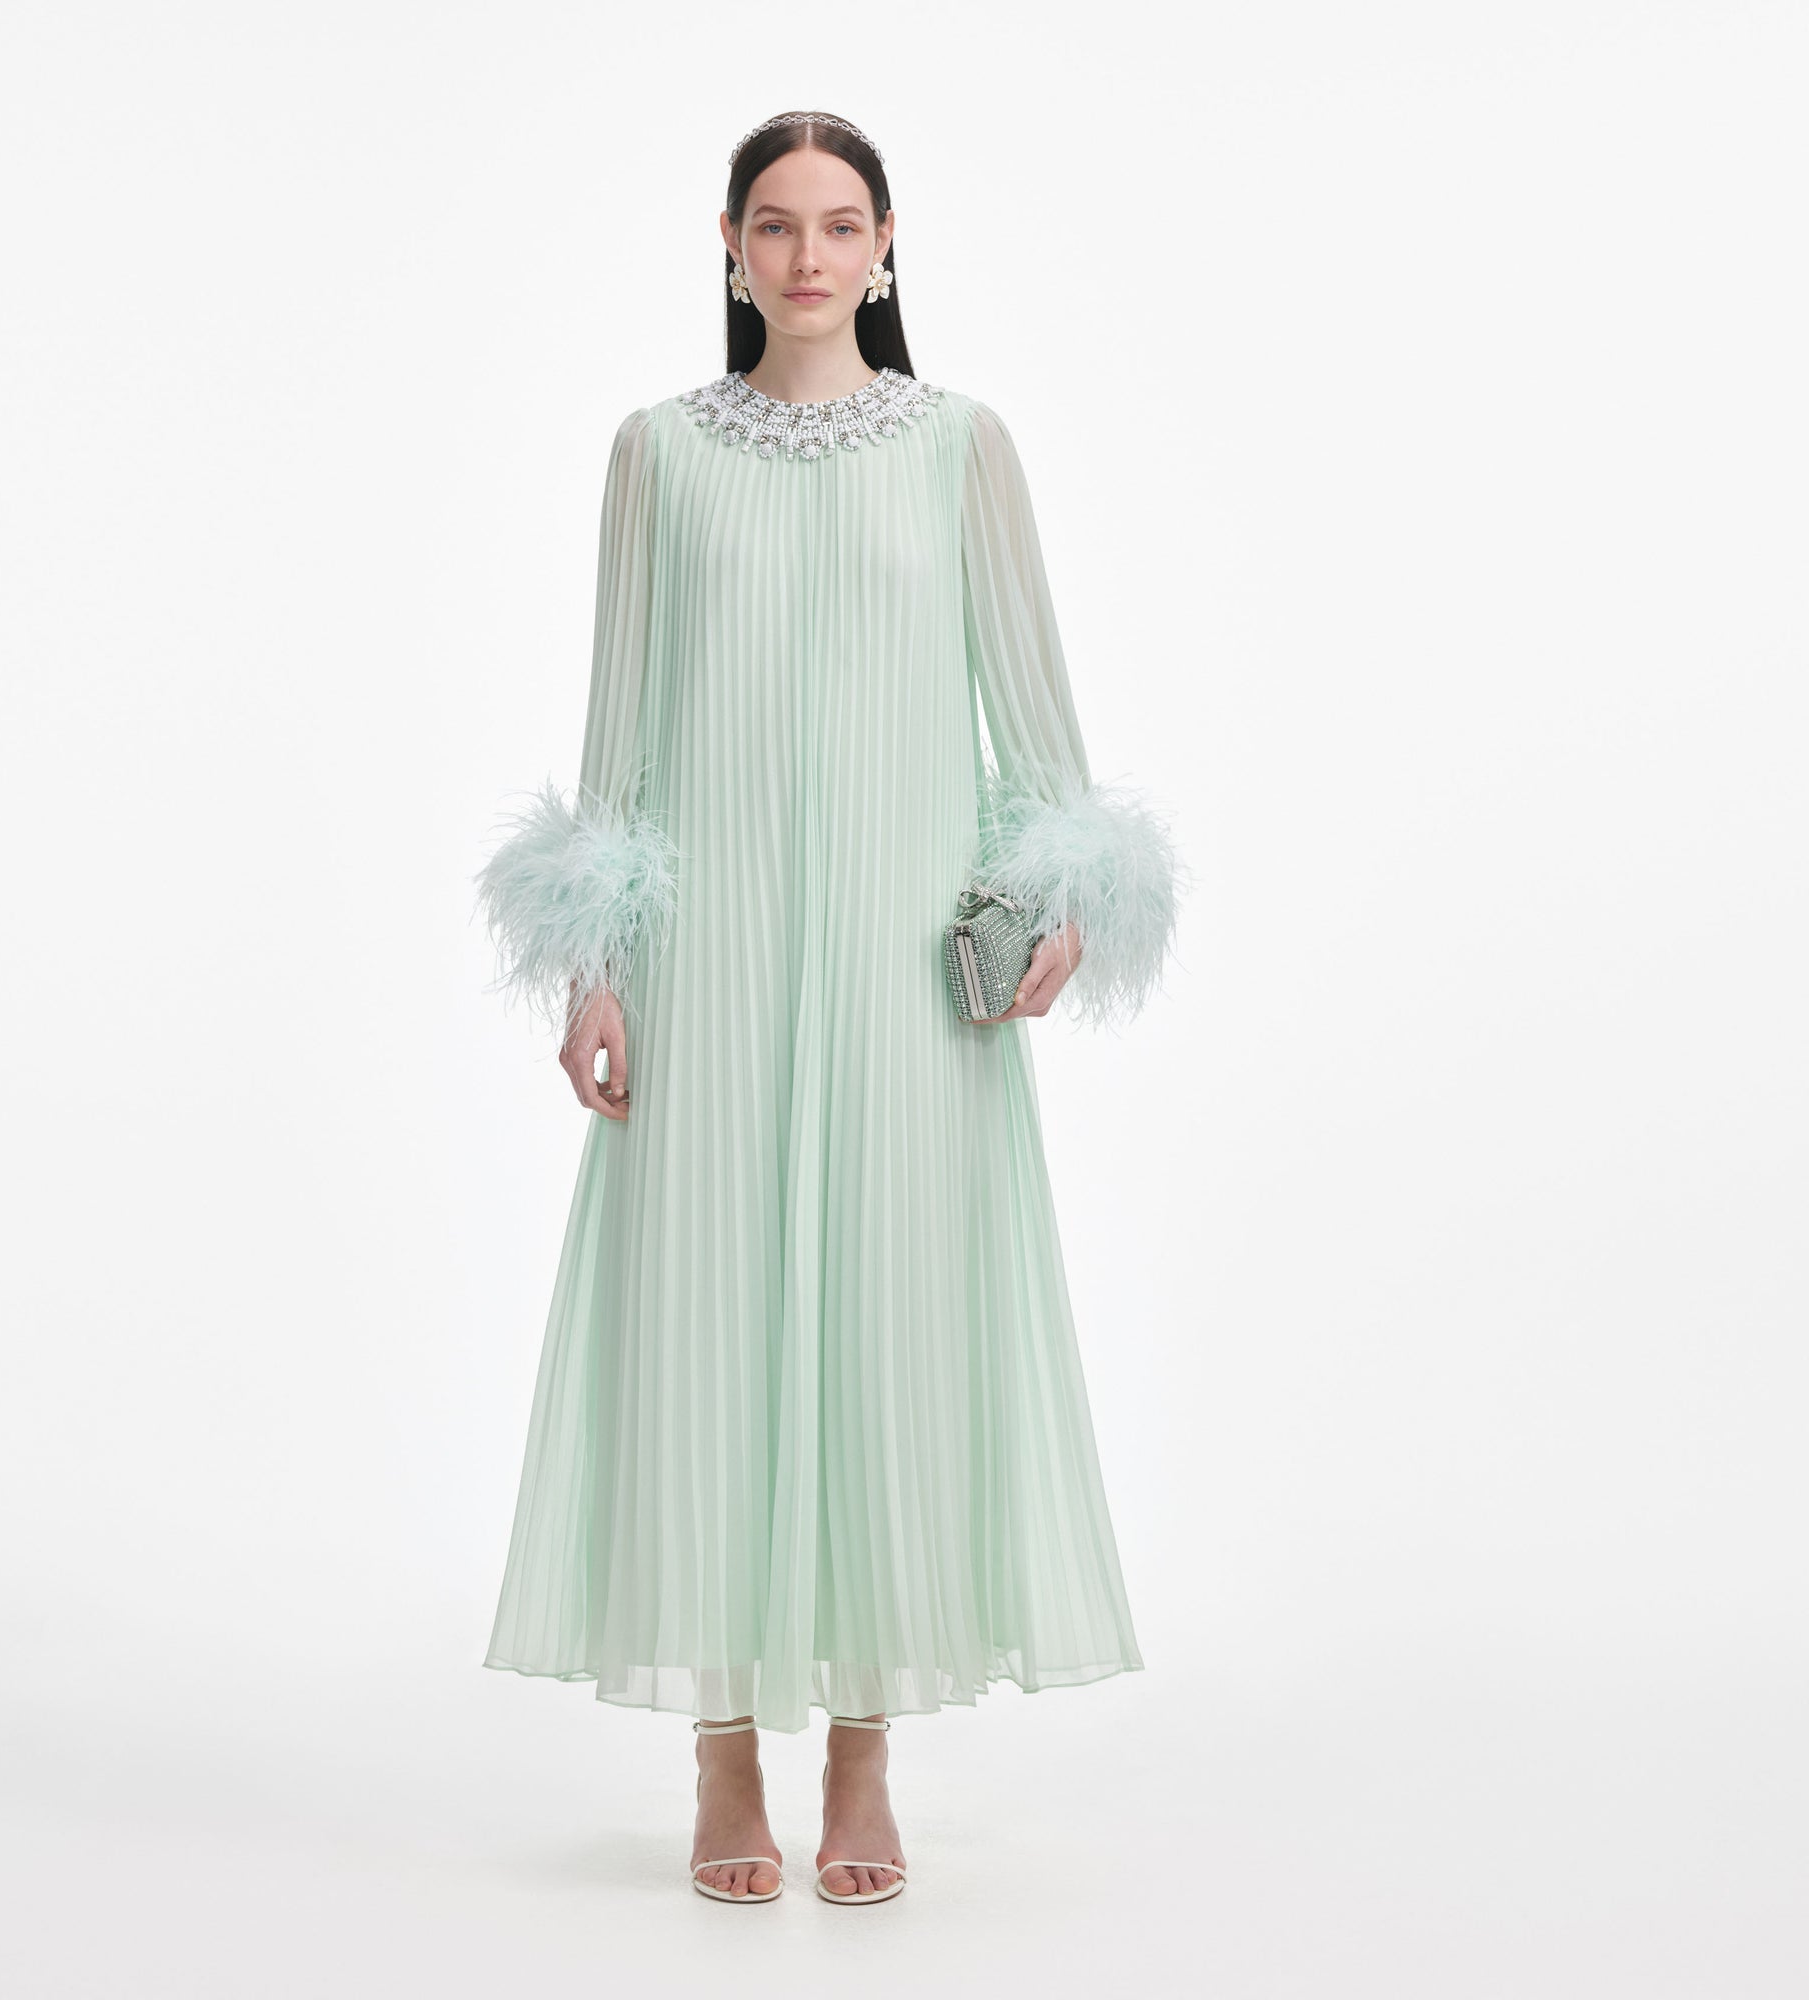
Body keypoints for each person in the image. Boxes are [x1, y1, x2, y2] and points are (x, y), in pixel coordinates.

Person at [473, 108, 1188, 1907]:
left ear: (886, 246)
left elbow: (1035, 713)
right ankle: (724, 1751)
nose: (808, 256)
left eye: (841, 223)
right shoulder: (657, 453)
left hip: (902, 972)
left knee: (892, 1328)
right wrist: (594, 964)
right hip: (712, 963)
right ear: (728, 244)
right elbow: (619, 730)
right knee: (707, 1322)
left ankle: (863, 1753)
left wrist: (1062, 897)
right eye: (776, 224)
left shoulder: (961, 448)